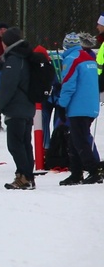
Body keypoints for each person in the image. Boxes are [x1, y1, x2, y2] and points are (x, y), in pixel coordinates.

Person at [56, 32, 102, 185]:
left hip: (78, 107)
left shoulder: (71, 59)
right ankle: (76, 173)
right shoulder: (89, 58)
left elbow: (68, 84)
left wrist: (61, 105)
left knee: (79, 140)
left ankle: (93, 170)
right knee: (75, 139)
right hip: (90, 105)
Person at [0, 27, 35, 189]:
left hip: (16, 108)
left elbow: (8, 86)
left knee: (15, 144)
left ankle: (24, 177)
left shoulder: (13, 59)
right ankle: (27, 176)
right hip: (27, 107)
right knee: (25, 143)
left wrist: (1, 105)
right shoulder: (24, 56)